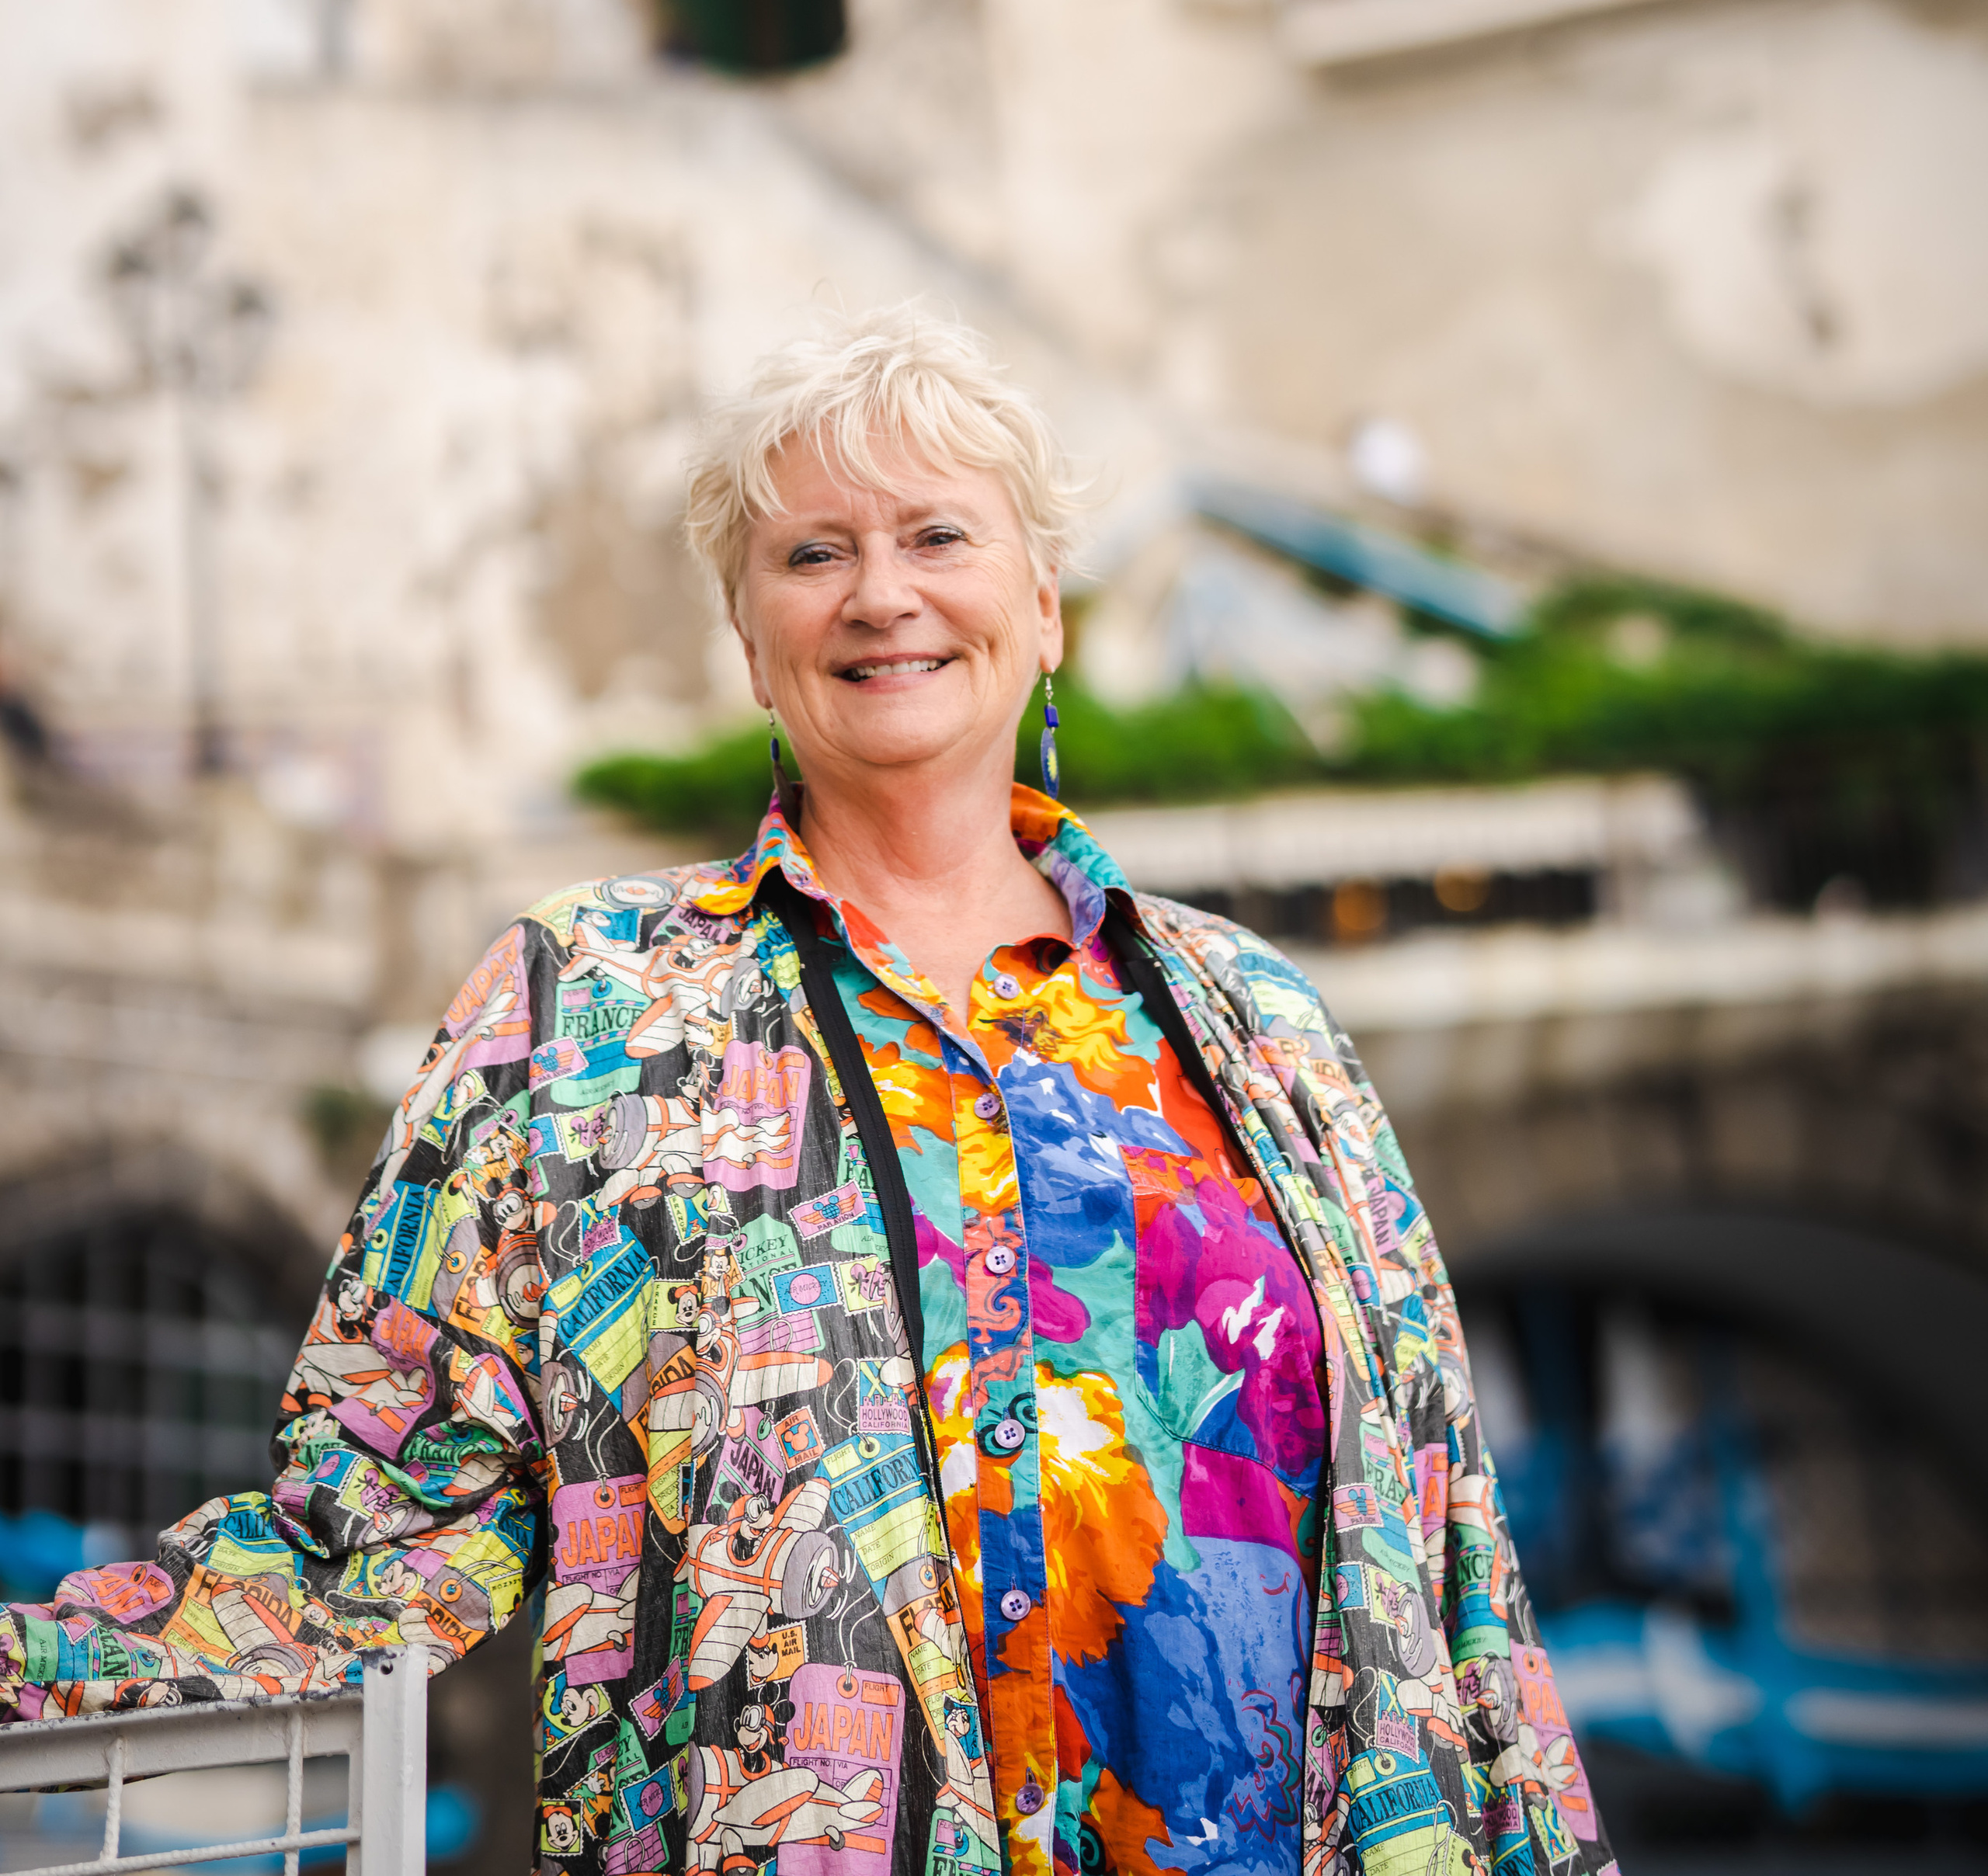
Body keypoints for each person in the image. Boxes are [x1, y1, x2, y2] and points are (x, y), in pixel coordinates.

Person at [0, 308, 1614, 1876]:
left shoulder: (1259, 1030)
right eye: (812, 553)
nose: (881, 596)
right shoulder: (579, 1012)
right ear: (750, 633)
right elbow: (374, 1525)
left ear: (1043, 607)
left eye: (937, 539)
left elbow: (1450, 1549)